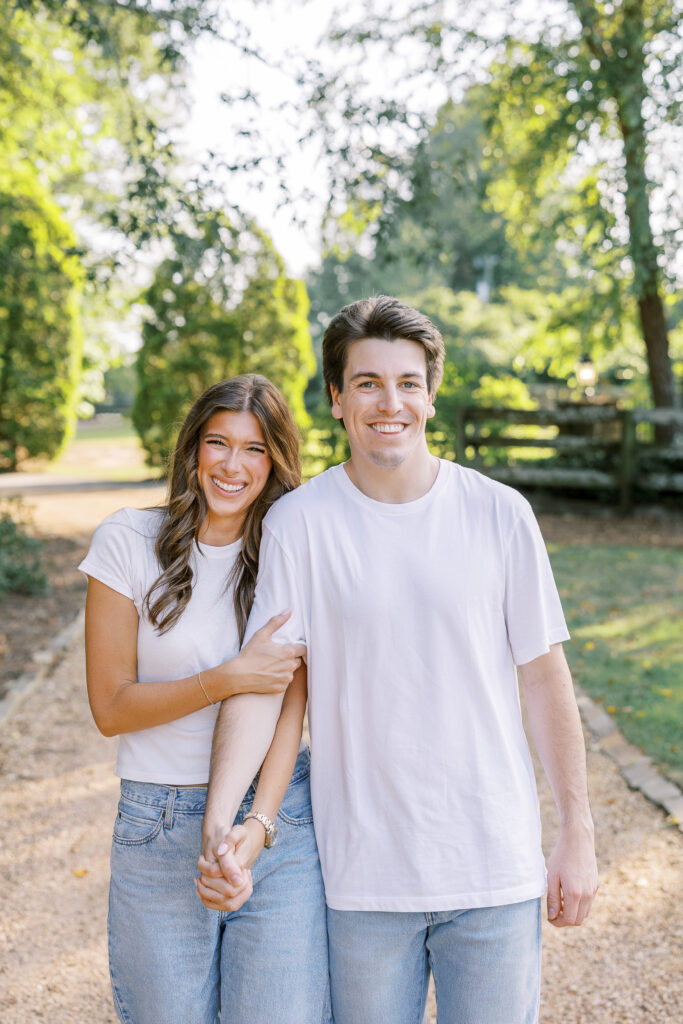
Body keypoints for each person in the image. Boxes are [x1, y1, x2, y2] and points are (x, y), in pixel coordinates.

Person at [199, 297, 599, 1024]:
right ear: (335, 399)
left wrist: (577, 829)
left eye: (408, 383)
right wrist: (222, 820)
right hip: (362, 883)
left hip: (492, 870)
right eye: (367, 383)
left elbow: (542, 678)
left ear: (430, 396)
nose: (390, 402)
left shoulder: (499, 513)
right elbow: (265, 685)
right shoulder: (299, 524)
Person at [79, 375, 330, 1024]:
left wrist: (258, 823)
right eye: (217, 443)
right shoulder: (127, 542)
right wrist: (229, 676)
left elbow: (289, 708)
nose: (231, 464)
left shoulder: (289, 550)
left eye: (253, 449)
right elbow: (110, 708)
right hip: (158, 819)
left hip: (278, 819)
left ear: (275, 461)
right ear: (192, 450)